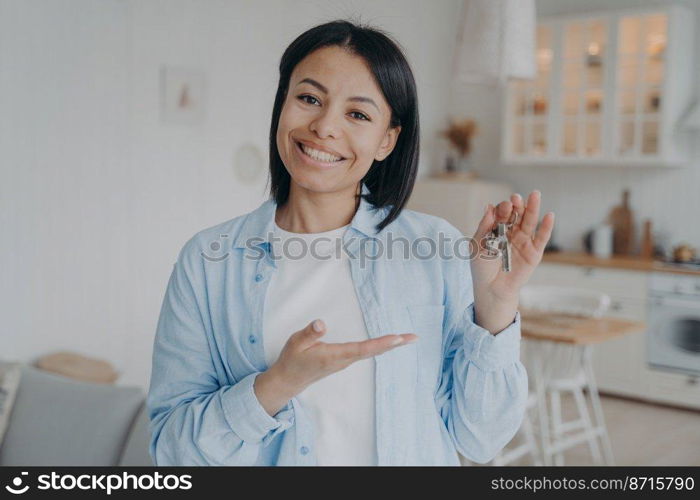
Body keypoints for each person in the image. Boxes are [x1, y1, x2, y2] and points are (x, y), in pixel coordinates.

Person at [147, 19, 554, 466]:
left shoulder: (435, 247)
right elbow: (172, 451)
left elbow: (482, 439)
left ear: (387, 140)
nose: (324, 127)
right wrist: (277, 384)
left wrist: (495, 308)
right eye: (308, 98)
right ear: (282, 104)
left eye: (357, 114)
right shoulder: (209, 261)